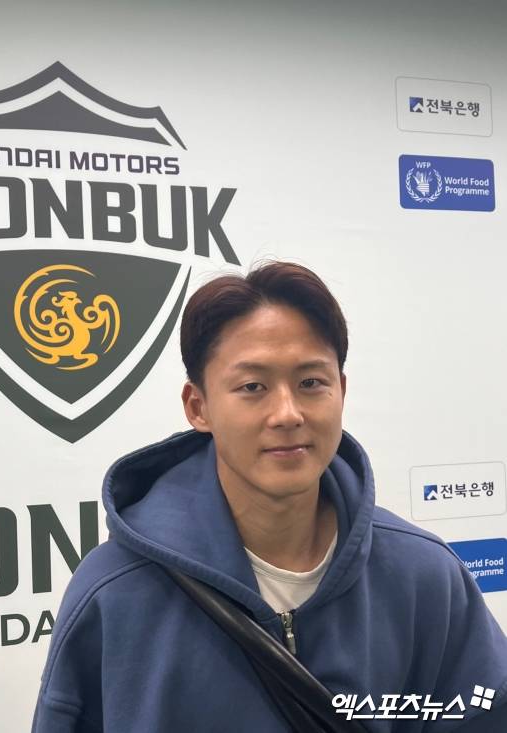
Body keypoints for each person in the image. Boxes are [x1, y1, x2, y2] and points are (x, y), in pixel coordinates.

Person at [32, 261, 507, 732]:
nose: (287, 413)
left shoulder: (424, 576)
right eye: (253, 387)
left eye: (311, 383)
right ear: (198, 407)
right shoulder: (116, 591)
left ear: (341, 391)